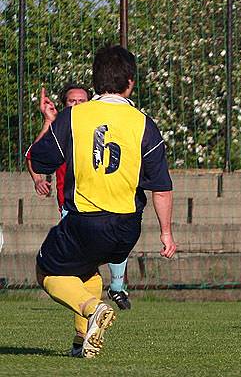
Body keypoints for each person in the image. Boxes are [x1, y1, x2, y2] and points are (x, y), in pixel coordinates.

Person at [28, 45, 176, 358]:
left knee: (46, 272)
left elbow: (40, 160)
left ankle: (93, 308)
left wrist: (51, 123)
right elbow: (161, 187)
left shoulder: (75, 116)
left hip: (86, 219)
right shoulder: (144, 124)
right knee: (87, 272)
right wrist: (166, 233)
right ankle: (82, 343)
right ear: (130, 83)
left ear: (95, 83)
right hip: (126, 228)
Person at [26, 84, 134, 312]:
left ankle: (96, 309)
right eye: (72, 102)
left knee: (72, 271)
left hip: (97, 204)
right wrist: (49, 122)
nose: (77, 105)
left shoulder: (92, 127)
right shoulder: (64, 127)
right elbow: (33, 155)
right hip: (72, 205)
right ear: (64, 106)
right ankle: (91, 323)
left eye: (82, 101)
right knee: (88, 271)